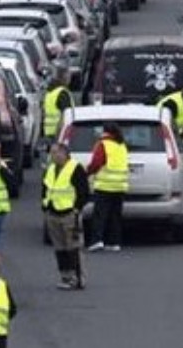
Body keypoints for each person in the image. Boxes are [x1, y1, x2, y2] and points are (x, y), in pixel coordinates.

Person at [40, 141, 89, 290]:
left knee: (73, 248)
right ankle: (65, 276)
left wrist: (77, 209)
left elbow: (83, 191)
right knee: (59, 248)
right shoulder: (50, 169)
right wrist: (44, 205)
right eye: (52, 153)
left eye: (55, 152)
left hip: (69, 214)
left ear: (64, 153)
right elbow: (46, 189)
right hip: (53, 212)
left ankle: (78, 278)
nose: (53, 156)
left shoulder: (75, 168)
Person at [84, 123, 127, 252]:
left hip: (104, 186)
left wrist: (87, 172)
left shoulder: (103, 144)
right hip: (119, 186)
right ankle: (114, 242)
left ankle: (97, 241)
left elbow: (97, 163)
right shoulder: (121, 145)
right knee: (115, 215)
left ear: (105, 131)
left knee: (100, 215)